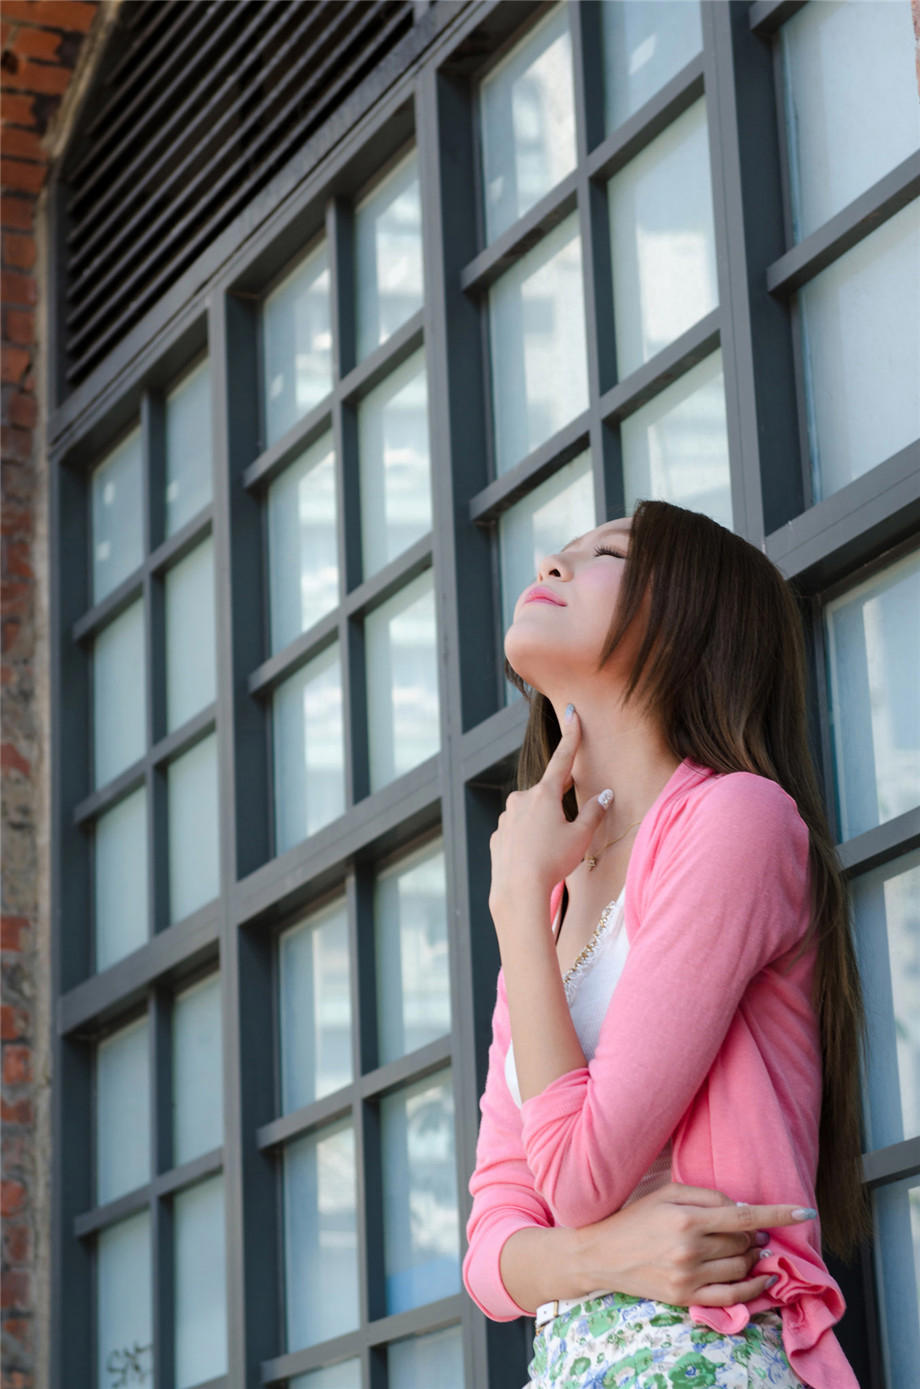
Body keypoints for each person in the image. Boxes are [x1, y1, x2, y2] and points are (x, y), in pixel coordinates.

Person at [463, 501, 866, 1388]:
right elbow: (491, 1246)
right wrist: (607, 1256)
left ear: (688, 614)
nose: (556, 563)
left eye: (606, 552)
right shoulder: (549, 894)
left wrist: (518, 906)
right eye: (563, 551)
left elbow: (571, 1180)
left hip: (703, 1353)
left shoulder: (737, 821)